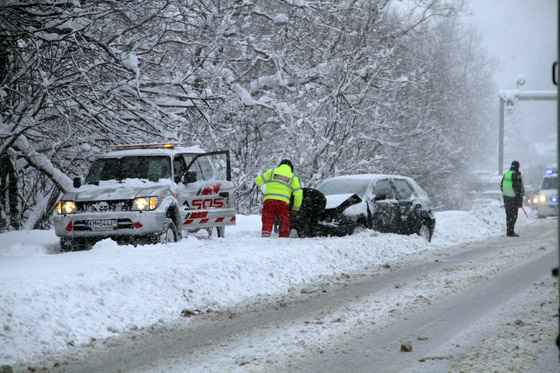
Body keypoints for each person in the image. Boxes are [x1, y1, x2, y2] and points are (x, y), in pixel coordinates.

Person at [255, 159, 303, 238]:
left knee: (267, 218)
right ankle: (283, 238)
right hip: (283, 203)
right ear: (291, 168)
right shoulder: (293, 177)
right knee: (284, 221)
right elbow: (298, 194)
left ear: (280, 165)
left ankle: (265, 236)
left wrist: (257, 177)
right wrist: (296, 208)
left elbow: (259, 181)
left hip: (269, 200)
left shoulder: (272, 171)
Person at [500, 160, 525, 237]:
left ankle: (509, 231)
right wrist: (519, 199)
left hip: (506, 198)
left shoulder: (506, 174)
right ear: (517, 167)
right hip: (513, 199)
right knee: (513, 216)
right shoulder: (516, 175)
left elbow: (501, 186)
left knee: (508, 215)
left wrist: (506, 194)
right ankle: (511, 232)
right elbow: (518, 188)